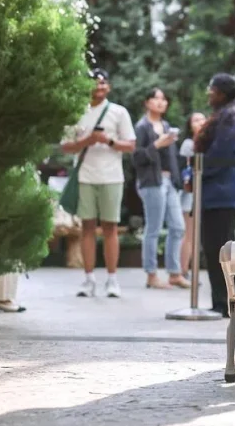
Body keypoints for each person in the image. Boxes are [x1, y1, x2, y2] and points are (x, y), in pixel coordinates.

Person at [60, 69, 136, 298]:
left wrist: (109, 140)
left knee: (111, 227)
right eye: (95, 83)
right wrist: (88, 140)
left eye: (103, 83)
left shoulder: (118, 112)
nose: (99, 87)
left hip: (112, 176)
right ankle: (89, 278)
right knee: (87, 228)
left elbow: (130, 145)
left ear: (108, 87)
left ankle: (112, 279)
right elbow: (66, 146)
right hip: (85, 176)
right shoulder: (78, 111)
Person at [195, 74, 235, 316]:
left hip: (223, 188)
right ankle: (229, 302)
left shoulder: (233, 114)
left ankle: (228, 303)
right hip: (222, 188)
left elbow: (222, 151)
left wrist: (198, 173)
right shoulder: (234, 111)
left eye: (211, 90)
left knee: (218, 247)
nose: (209, 94)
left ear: (222, 92)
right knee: (220, 247)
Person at [132, 87, 190, 290]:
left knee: (178, 227)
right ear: (147, 102)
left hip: (169, 183)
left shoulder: (166, 126)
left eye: (164, 99)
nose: (161, 102)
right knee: (153, 228)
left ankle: (174, 273)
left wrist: (178, 179)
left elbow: (172, 158)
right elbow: (136, 157)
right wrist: (157, 144)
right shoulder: (141, 127)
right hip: (151, 182)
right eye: (156, 98)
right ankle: (151, 274)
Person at [178, 112, 207, 280]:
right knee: (189, 232)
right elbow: (187, 170)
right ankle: (183, 270)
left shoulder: (206, 142)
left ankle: (190, 269)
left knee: (195, 234)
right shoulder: (189, 144)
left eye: (203, 119)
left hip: (202, 191)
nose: (200, 122)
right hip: (190, 192)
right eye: (196, 120)